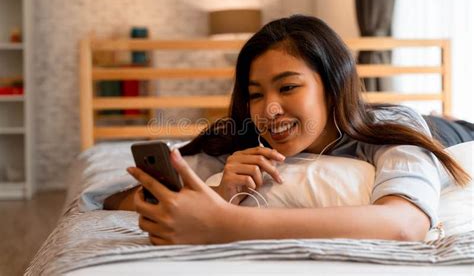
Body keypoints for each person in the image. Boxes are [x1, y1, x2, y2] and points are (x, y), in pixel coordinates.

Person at [105, 15, 471, 245]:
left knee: (448, 121)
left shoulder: (393, 127)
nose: (270, 109)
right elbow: (107, 198)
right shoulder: (243, 139)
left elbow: (406, 224)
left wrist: (229, 223)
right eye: (255, 94)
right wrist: (221, 190)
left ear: (332, 86)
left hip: (450, 130)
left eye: (288, 87)